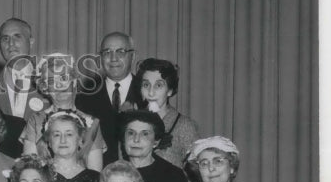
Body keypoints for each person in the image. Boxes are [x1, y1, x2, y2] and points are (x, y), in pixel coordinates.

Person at [22, 52, 106, 170]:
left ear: (74, 81)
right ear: (45, 88)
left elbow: (95, 173)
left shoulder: (92, 123)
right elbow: (29, 169)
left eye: (64, 78)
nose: (59, 85)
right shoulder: (35, 121)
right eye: (51, 81)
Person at [74, 31, 139, 162]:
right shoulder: (84, 97)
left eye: (120, 51)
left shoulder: (146, 92)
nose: (113, 58)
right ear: (100, 57)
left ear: (132, 56)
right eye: (107, 52)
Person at [117, 110, 190, 182]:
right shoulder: (112, 172)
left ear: (156, 142)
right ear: (123, 138)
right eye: (131, 133)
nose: (136, 140)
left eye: (145, 134)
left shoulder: (173, 176)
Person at [128, 58, 200, 169]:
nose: (151, 93)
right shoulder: (130, 124)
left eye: (158, 85)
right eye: (146, 85)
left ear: (170, 90)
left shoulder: (185, 126)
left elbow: (197, 170)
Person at [0, 17, 45, 121]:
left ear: (31, 42)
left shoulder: (47, 79)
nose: (11, 44)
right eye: (5, 38)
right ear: (0, 45)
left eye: (17, 37)